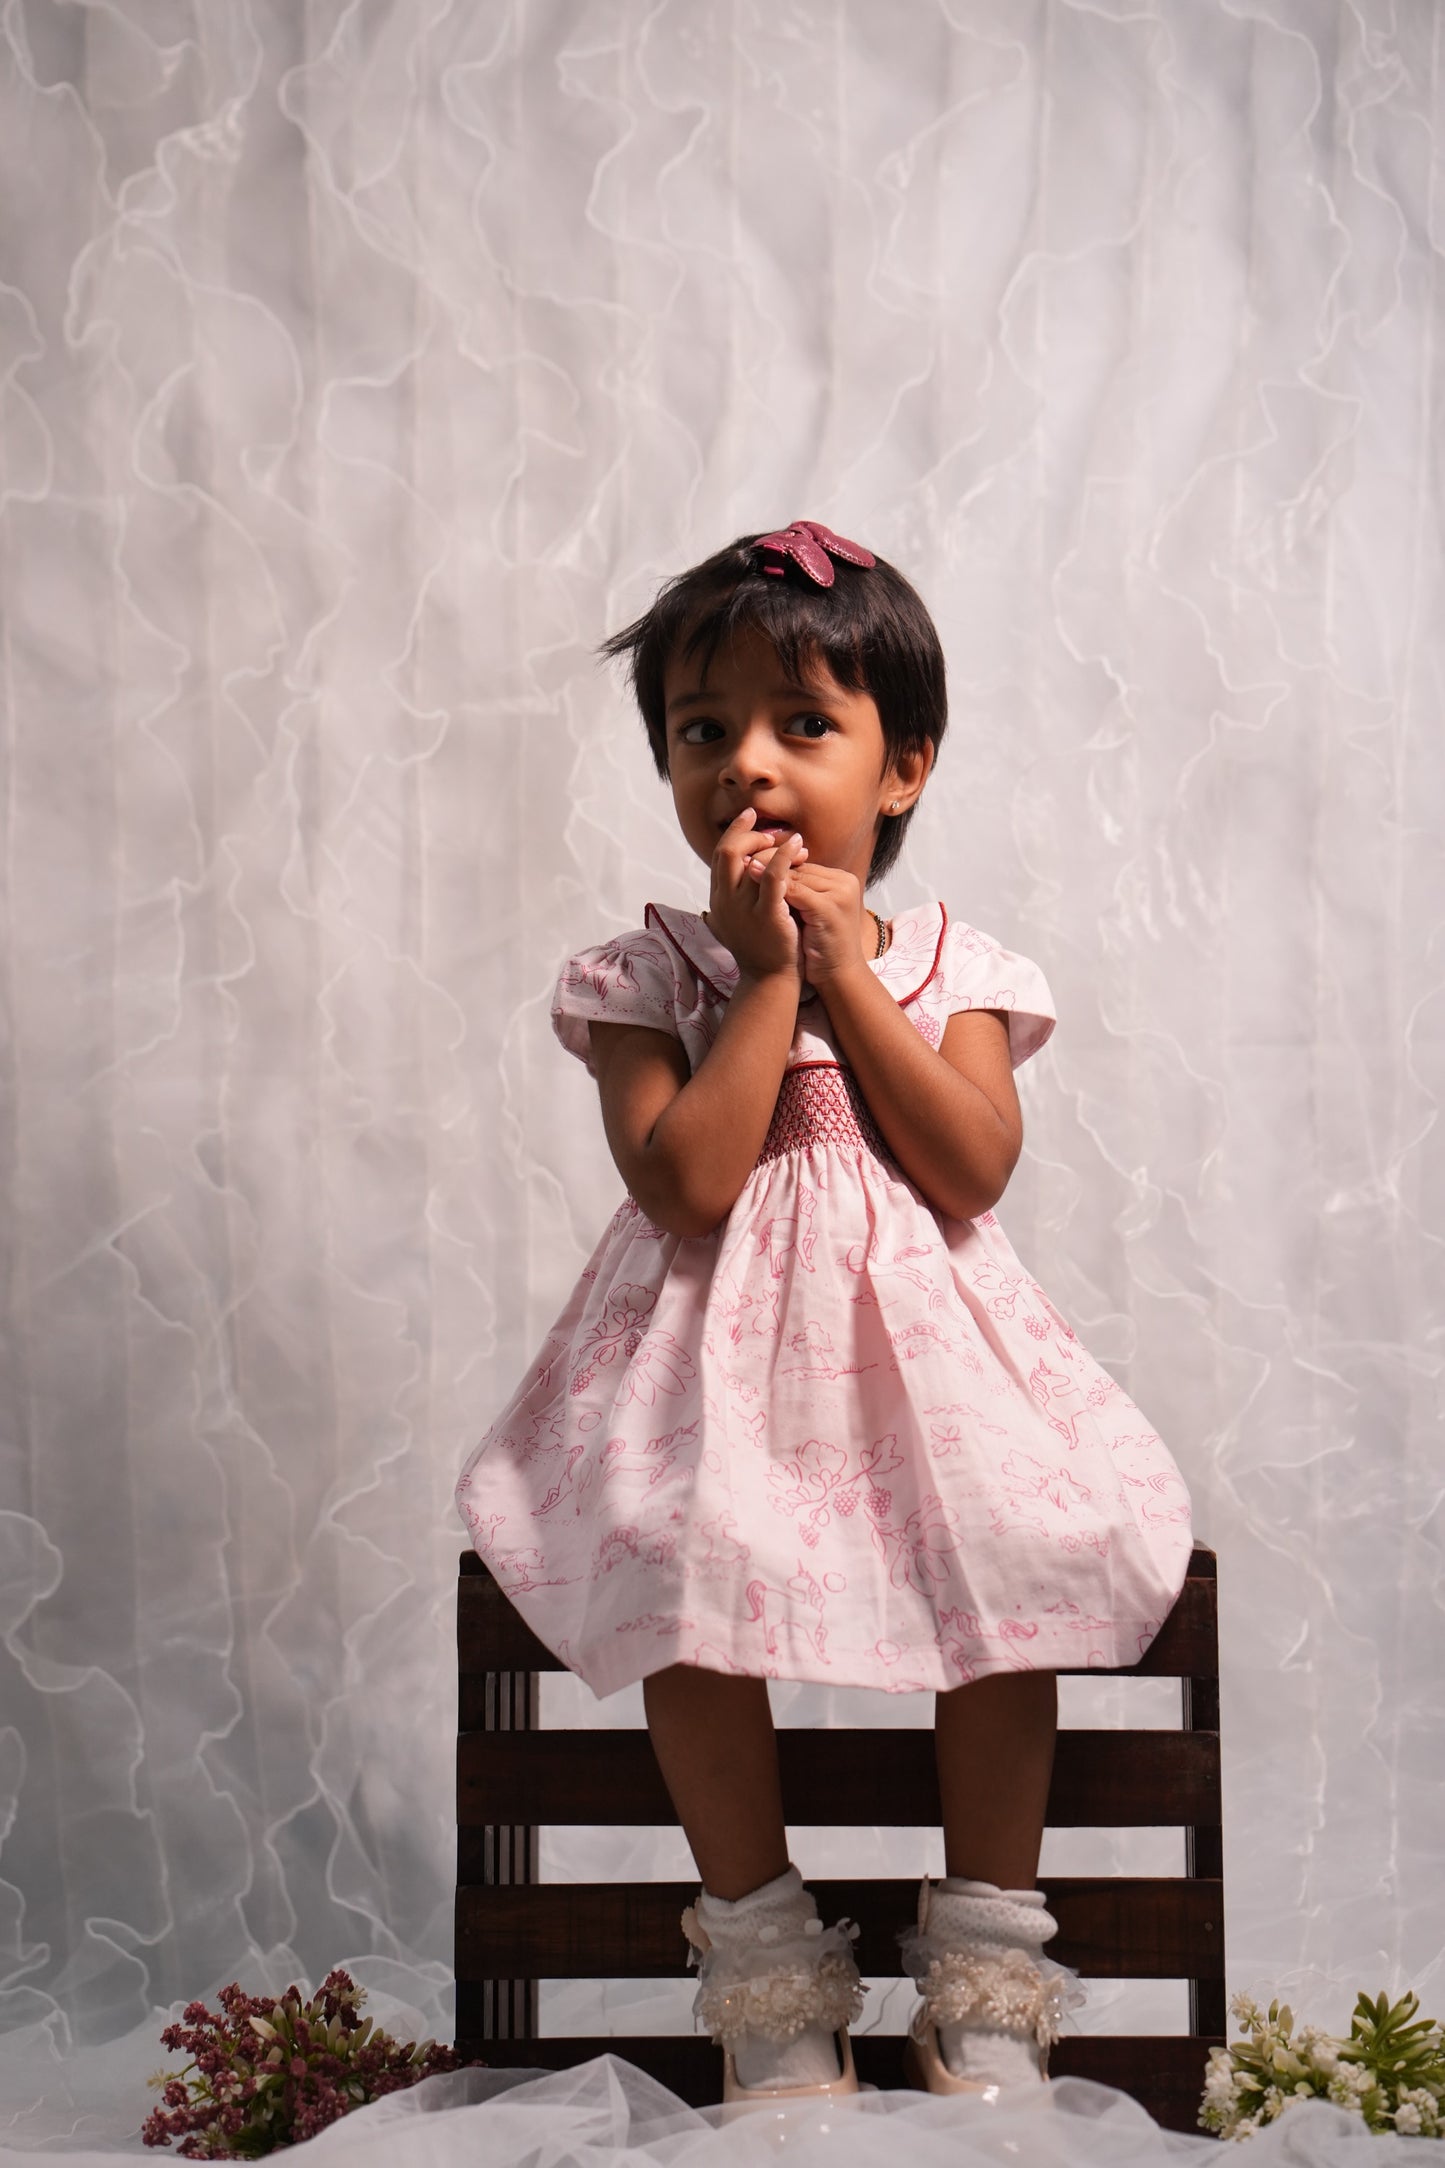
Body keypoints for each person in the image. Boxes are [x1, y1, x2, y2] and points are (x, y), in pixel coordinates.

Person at [456, 519, 1194, 2107]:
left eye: (804, 725)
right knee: (676, 1552)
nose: (747, 766)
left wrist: (847, 975)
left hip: (915, 1376)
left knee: (1020, 1545)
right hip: (701, 1379)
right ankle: (768, 1971)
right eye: (701, 732)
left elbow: (970, 1164)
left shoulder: (953, 965)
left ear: (903, 765)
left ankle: (982, 1974)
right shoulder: (646, 979)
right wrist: (766, 979)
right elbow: (691, 1187)